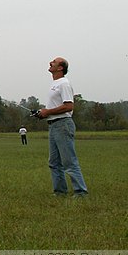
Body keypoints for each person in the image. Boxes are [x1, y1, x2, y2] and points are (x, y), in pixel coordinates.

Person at [37, 57, 88, 197]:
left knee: (69, 161)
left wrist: (47, 112)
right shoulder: (55, 84)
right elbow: (55, 107)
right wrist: (43, 113)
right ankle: (60, 192)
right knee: (54, 162)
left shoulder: (64, 84)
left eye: (54, 62)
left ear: (60, 68)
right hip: (53, 125)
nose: (50, 63)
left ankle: (81, 192)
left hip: (63, 125)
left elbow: (68, 106)